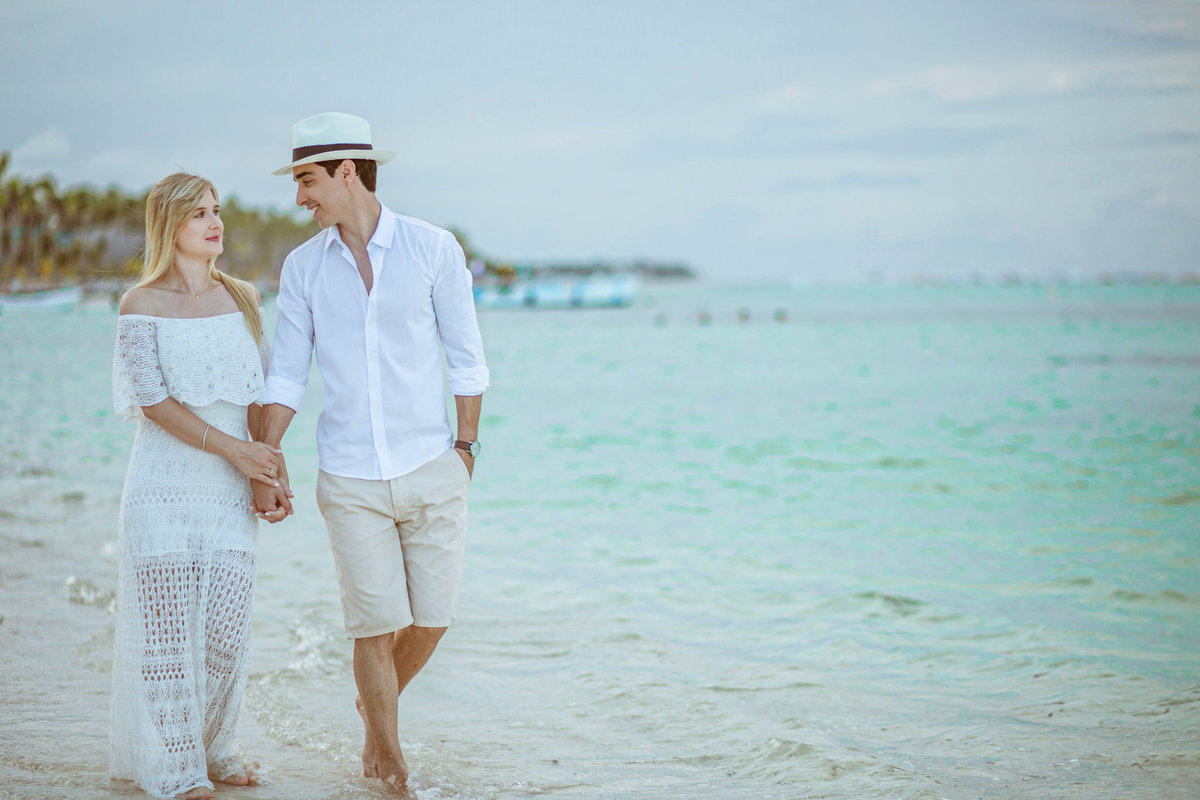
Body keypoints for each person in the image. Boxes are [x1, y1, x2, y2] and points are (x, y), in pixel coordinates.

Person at [253, 112, 489, 797]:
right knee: (372, 624)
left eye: (307, 180)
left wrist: (464, 451)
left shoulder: (433, 249)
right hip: (349, 476)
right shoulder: (302, 268)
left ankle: (373, 703)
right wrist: (265, 461)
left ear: (345, 172)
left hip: (432, 466)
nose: (300, 197)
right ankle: (389, 762)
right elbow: (287, 376)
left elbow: (467, 361)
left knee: (432, 619)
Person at [111, 173, 284, 800]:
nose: (215, 223)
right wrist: (236, 450)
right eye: (198, 215)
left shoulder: (243, 298)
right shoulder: (140, 304)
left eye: (217, 212)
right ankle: (175, 768)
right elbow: (153, 399)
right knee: (165, 638)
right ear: (170, 227)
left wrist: (268, 471)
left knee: (225, 632)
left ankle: (217, 746)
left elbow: (261, 395)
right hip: (162, 489)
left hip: (228, 493)